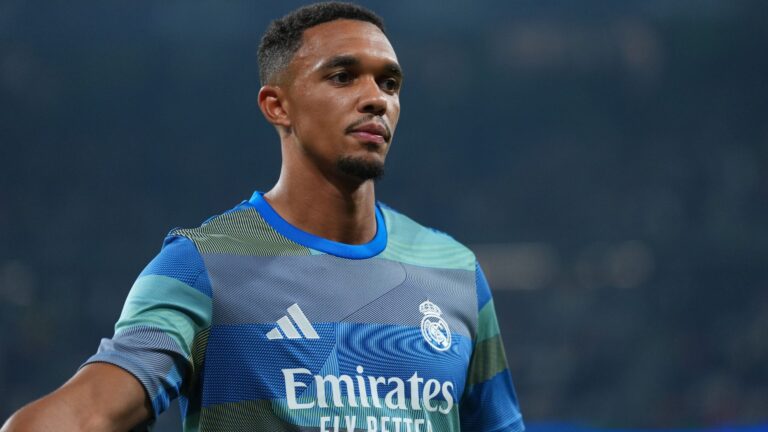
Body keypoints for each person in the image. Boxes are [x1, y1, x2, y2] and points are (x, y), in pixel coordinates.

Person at [1, 2, 524, 431]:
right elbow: (89, 412)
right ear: (278, 106)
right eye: (343, 76)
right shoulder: (202, 266)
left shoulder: (455, 271)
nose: (375, 100)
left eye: (389, 84)